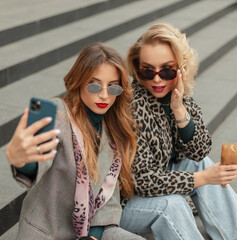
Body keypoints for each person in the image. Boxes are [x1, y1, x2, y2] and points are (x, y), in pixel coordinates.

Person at [6, 43, 146, 240]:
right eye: (95, 85)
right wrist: (21, 160)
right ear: (79, 82)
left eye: (113, 87)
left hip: (88, 233)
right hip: (48, 233)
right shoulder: (59, 114)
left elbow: (108, 202)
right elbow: (38, 161)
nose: (104, 95)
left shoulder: (114, 131)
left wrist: (93, 237)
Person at [119, 23, 237, 240]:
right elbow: (143, 182)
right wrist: (201, 179)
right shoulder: (132, 107)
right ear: (137, 69)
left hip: (155, 177)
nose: (157, 79)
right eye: (147, 70)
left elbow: (200, 151)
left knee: (202, 164)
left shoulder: (178, 96)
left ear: (182, 69)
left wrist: (179, 111)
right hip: (122, 202)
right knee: (172, 204)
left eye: (166, 70)